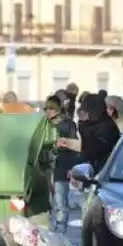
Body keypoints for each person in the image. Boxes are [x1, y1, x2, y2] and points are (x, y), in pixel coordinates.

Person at [58, 93, 120, 174]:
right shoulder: (93, 124)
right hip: (94, 169)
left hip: (104, 171)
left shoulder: (106, 126)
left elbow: (93, 149)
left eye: (87, 110)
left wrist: (82, 125)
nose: (85, 113)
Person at [44, 95, 78, 234]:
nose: (48, 111)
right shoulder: (44, 123)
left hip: (62, 166)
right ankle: (47, 229)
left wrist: (72, 168)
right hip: (46, 167)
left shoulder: (68, 124)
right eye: (46, 108)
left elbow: (74, 147)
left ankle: (60, 230)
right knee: (47, 201)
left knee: (60, 201)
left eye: (51, 108)